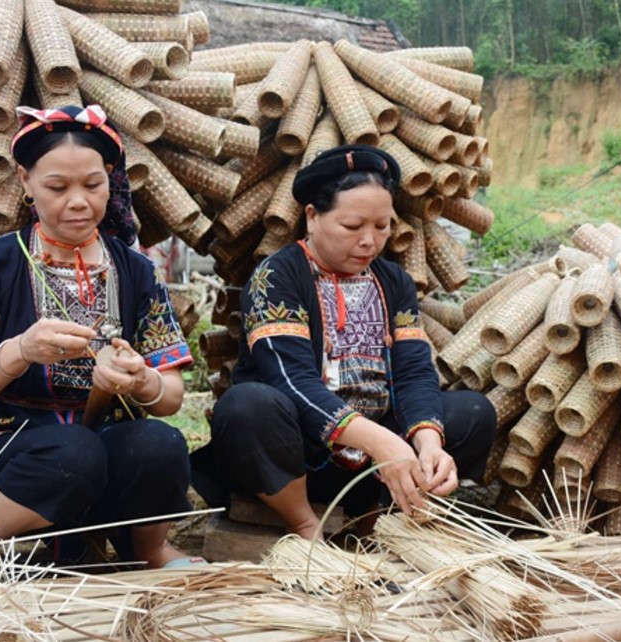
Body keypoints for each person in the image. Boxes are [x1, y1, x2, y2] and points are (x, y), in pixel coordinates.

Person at [0, 104, 201, 578]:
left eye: (93, 185)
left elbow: (171, 397)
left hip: (104, 451)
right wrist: (19, 352)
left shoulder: (136, 270)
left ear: (110, 178)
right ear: (25, 182)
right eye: (57, 187)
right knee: (73, 450)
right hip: (13, 459)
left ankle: (150, 549)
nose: (78, 201)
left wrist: (140, 380)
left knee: (159, 443)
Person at [191, 144, 496, 540]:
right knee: (248, 405)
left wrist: (428, 442)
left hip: (375, 461)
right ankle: (303, 522)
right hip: (297, 456)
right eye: (352, 227)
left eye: (382, 226)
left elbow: (413, 369)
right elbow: (291, 380)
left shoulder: (393, 282)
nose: (370, 241)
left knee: (472, 412)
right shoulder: (277, 276)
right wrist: (383, 442)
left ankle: (376, 518)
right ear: (313, 217)